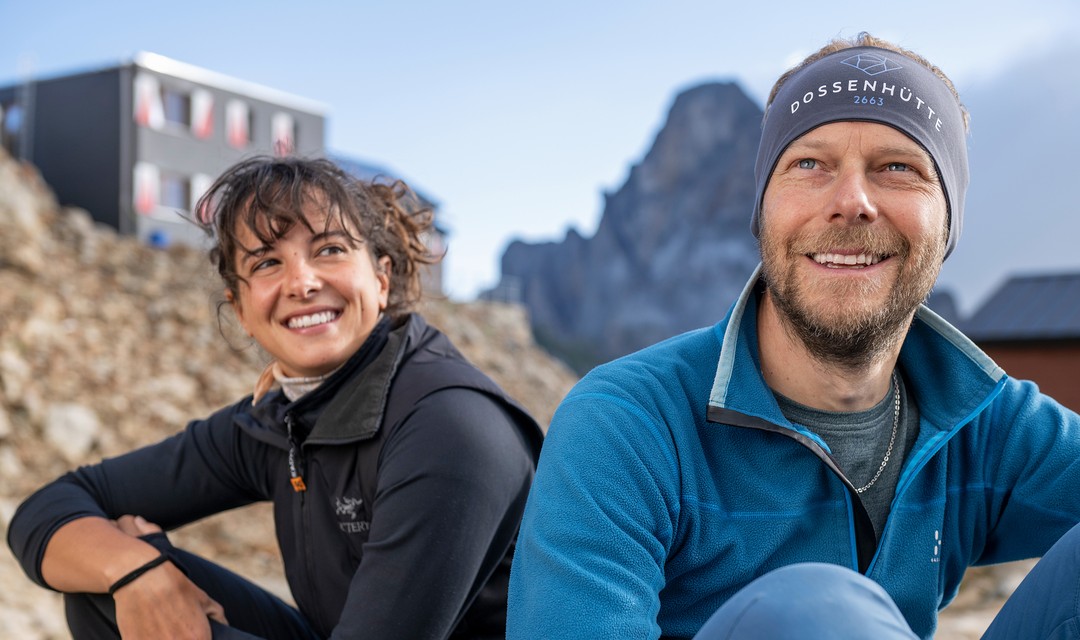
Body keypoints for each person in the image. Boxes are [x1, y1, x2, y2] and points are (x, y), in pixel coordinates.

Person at [506, 32, 1080, 640]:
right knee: (809, 614)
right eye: (809, 164)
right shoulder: (626, 424)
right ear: (762, 210)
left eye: (897, 168)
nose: (851, 201)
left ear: (947, 224)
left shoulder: (984, 420)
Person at [8, 156, 544, 639]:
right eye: (267, 262)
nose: (302, 282)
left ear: (381, 280)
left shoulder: (449, 427)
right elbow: (46, 511)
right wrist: (135, 571)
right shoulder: (285, 416)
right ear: (239, 307)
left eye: (329, 250)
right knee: (111, 585)